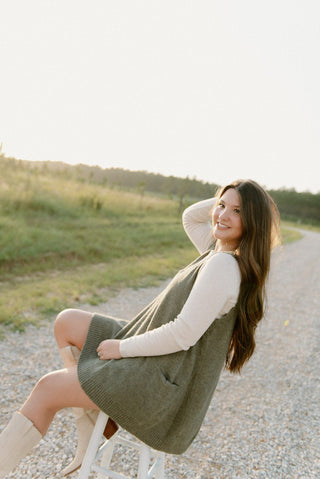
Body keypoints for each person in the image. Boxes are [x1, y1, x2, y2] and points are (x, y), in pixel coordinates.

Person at [0, 179, 281, 477]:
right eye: (221, 205)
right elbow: (190, 216)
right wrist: (238, 195)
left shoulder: (223, 268)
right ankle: (92, 424)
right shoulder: (217, 252)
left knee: (47, 389)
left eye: (237, 211)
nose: (222, 215)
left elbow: (181, 334)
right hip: (157, 361)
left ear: (252, 223)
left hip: (158, 380)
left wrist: (120, 349)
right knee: (66, 321)